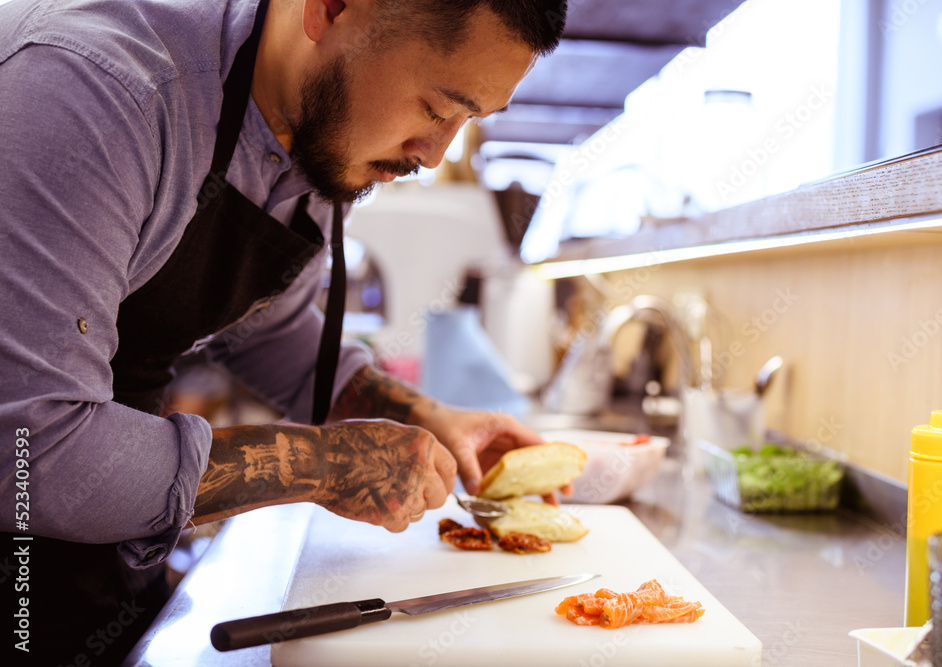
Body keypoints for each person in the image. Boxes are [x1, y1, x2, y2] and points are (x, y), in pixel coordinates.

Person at [0, 0, 567, 663]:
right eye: (438, 109)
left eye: (467, 122)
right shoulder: (96, 89)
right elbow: (27, 454)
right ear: (331, 9)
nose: (435, 155)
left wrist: (430, 422)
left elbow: (272, 332)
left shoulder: (315, 131)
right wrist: (321, 465)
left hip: (97, 566)